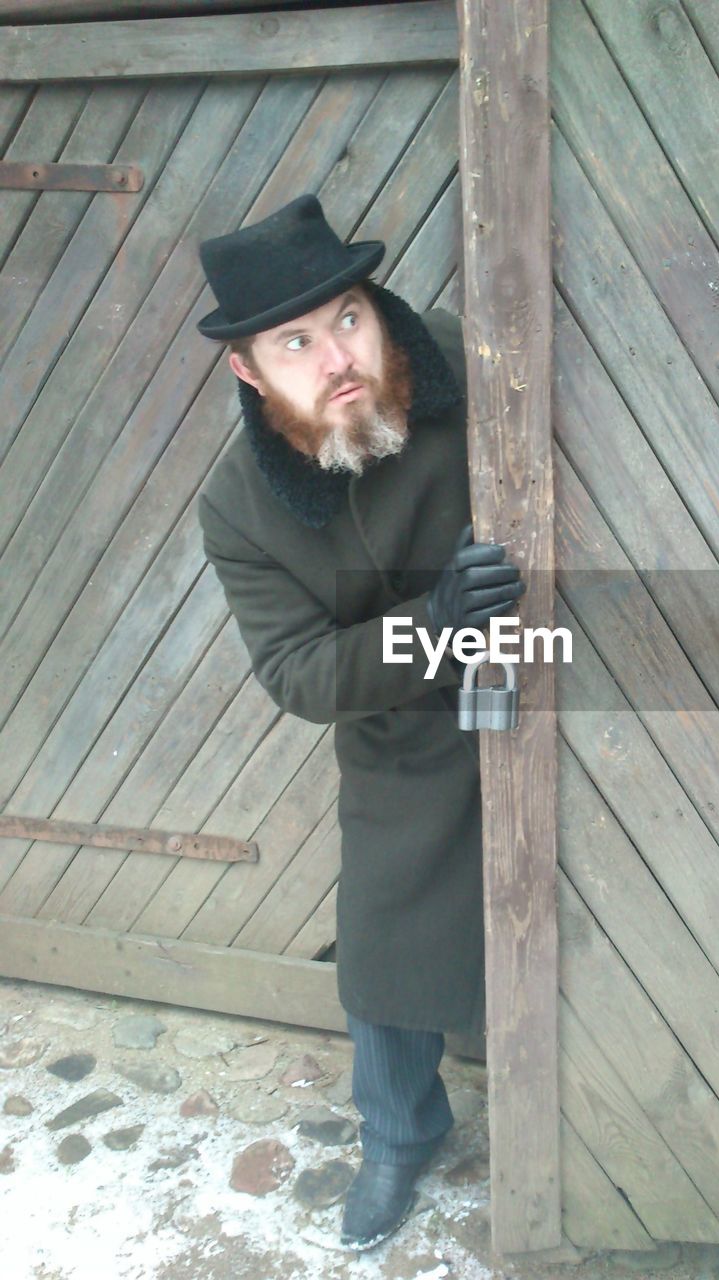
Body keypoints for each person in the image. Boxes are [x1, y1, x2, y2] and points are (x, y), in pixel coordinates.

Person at [194, 194, 525, 1251]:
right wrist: (431, 624)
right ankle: (398, 1135)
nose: (338, 355)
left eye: (346, 316)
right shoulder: (239, 504)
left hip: (551, 693)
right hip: (403, 733)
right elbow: (295, 670)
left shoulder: (467, 371)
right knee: (385, 950)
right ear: (248, 369)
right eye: (295, 340)